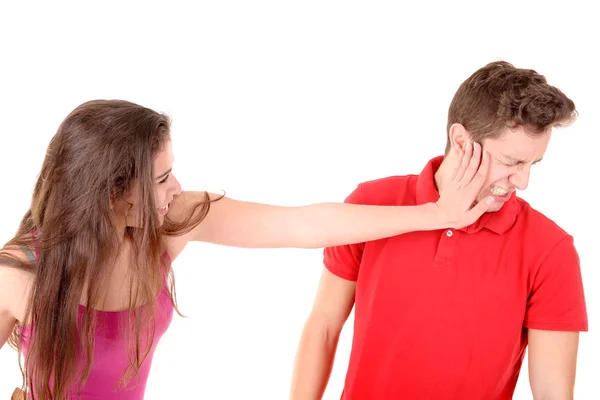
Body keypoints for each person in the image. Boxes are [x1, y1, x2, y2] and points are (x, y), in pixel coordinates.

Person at [0, 99, 492, 399]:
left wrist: (435, 215)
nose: (177, 187)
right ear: (111, 193)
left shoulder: (168, 224)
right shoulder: (18, 274)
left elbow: (302, 224)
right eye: (162, 177)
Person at [290, 61, 588, 400]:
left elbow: (553, 393)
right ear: (461, 140)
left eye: (532, 164)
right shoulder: (371, 205)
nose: (523, 181)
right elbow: (324, 327)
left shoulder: (551, 249)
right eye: (511, 161)